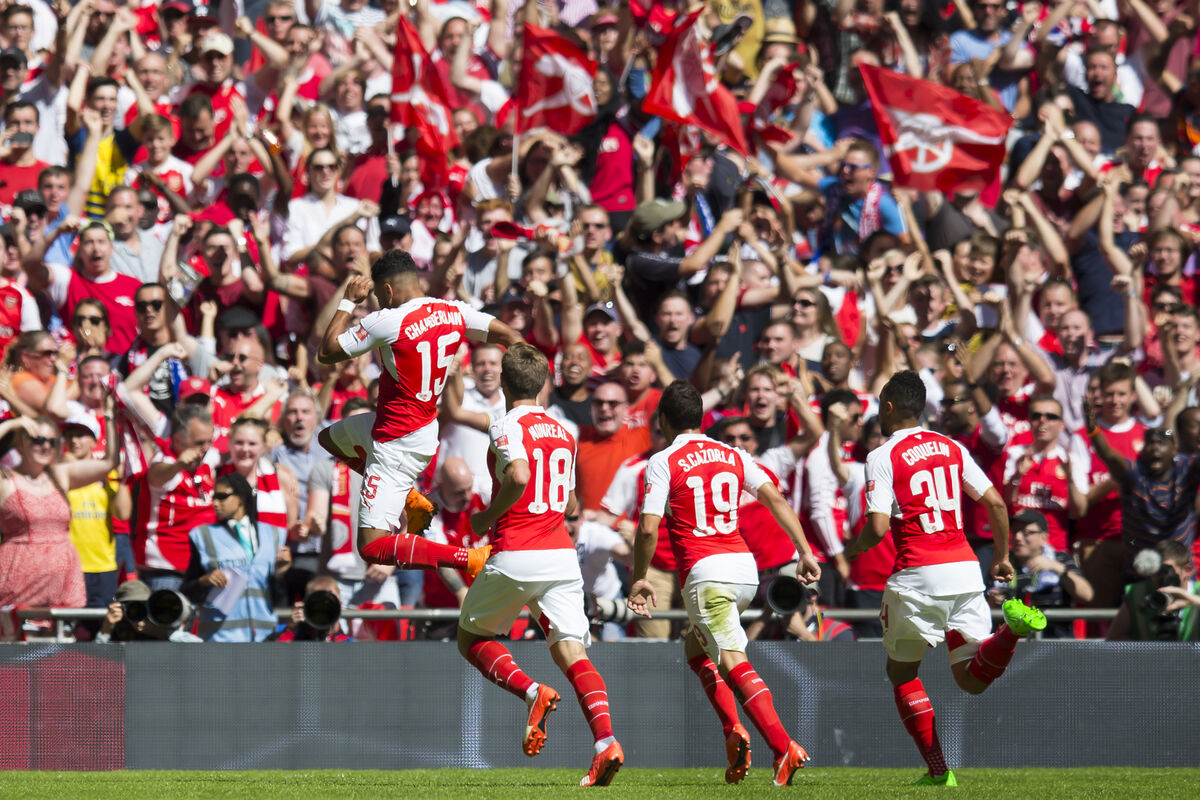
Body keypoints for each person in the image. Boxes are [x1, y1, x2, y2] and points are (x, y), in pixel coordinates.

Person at [844, 370, 1047, 786]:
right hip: (964, 570)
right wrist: (1002, 557)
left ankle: (939, 771)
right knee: (970, 679)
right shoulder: (951, 447)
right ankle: (1011, 632)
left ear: (888, 407)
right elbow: (996, 503)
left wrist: (852, 550)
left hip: (917, 573)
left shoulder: (882, 456)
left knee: (902, 673)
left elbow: (878, 528)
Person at [627, 380, 822, 786]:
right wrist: (804, 550)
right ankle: (734, 730)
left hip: (706, 573)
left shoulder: (663, 460)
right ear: (701, 418)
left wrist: (639, 577)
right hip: (744, 568)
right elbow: (775, 499)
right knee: (697, 651)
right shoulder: (732, 454)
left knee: (732, 662)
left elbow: (647, 528)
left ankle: (783, 747)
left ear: (663, 420)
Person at [457, 343, 624, 787]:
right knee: (573, 653)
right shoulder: (564, 430)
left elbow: (519, 475)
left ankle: (532, 691)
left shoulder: (504, 424)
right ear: (544, 382)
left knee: (471, 637)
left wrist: (486, 517)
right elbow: (570, 502)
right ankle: (605, 742)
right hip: (560, 555)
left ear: (504, 382)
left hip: (517, 550)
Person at [315, 249, 518, 578]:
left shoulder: (388, 320)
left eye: (379, 296)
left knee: (371, 547)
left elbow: (326, 352)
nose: (379, 303)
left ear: (388, 290)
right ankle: (410, 498)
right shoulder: (453, 310)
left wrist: (348, 301)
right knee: (330, 438)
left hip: (395, 443)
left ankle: (470, 558)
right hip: (418, 427)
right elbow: (510, 335)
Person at [0, 411, 118, 637]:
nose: (45, 446)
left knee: (57, 653)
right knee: (16, 650)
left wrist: (110, 416)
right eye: (38, 440)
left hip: (61, 583)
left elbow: (110, 462)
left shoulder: (59, 474)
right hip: (18, 582)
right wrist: (14, 424)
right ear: (21, 443)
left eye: (52, 442)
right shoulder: (6, 480)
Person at [182, 472, 291, 642]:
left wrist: (280, 575)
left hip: (264, 638)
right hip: (220, 639)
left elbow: (279, 597)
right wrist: (204, 581)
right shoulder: (203, 535)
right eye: (214, 497)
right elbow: (187, 590)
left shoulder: (273, 534)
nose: (215, 503)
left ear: (241, 498)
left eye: (222, 497)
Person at [1106, 540, 1200, 641]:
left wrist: (1194, 601)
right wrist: (1146, 649)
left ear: (1187, 570)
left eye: (1168, 572)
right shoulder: (1137, 593)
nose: (1162, 579)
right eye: (1157, 572)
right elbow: (1114, 639)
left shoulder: (1197, 592)